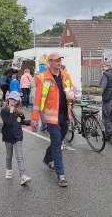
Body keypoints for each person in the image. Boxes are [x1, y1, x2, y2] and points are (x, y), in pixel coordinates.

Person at [30, 52, 74, 187]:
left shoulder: (66, 75)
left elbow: (70, 90)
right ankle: (61, 174)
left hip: (64, 114)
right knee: (57, 143)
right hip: (51, 117)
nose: (59, 62)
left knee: (58, 140)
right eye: (56, 60)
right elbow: (37, 100)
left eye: (60, 60)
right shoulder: (43, 78)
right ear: (50, 63)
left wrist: (71, 97)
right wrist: (34, 118)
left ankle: (47, 158)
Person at [0, 91, 31, 185]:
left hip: (18, 136)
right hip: (8, 136)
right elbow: (8, 122)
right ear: (8, 99)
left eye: (15, 100)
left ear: (18, 101)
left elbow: (22, 121)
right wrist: (11, 111)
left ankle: (23, 176)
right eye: (11, 99)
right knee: (9, 155)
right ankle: (9, 170)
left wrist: (31, 122)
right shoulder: (4, 111)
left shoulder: (19, 111)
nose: (13, 101)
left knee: (19, 157)